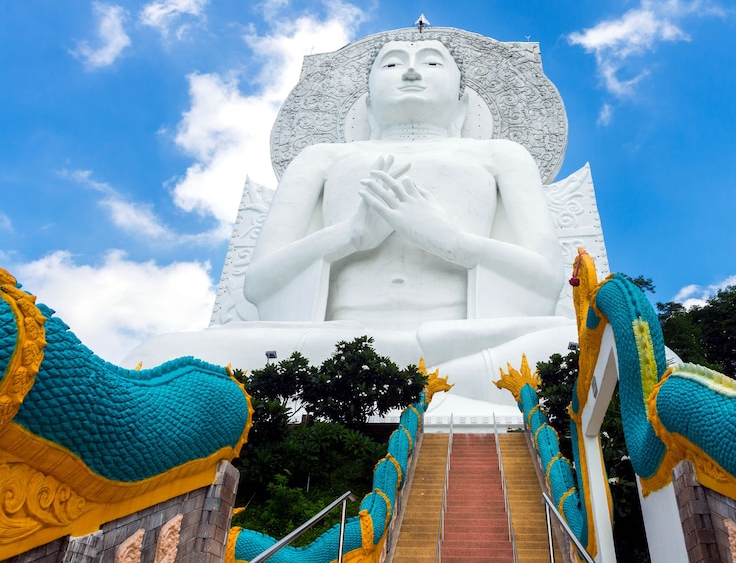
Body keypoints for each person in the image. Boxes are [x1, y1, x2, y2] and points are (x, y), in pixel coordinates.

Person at [127, 39, 573, 407]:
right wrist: (349, 236)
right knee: (158, 353)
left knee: (567, 342)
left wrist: (453, 241)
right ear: (367, 101)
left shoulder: (501, 156)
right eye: (391, 64)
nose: (411, 72)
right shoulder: (322, 157)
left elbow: (547, 278)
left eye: (432, 63)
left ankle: (423, 378)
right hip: (335, 345)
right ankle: (447, 385)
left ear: (462, 100)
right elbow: (258, 284)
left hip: (466, 337)